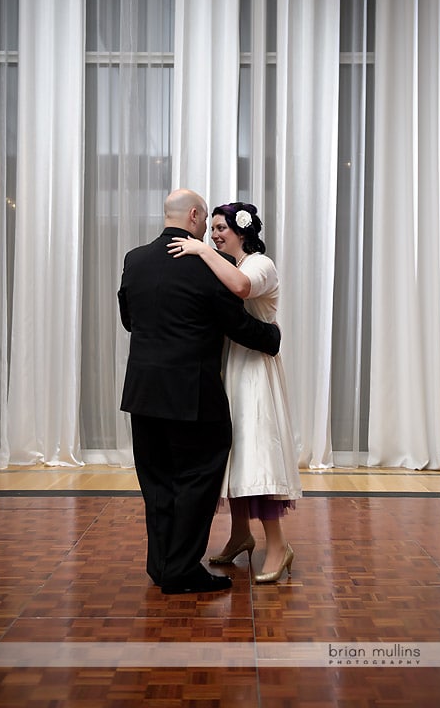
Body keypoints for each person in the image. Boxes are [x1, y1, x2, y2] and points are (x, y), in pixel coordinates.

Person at [118, 189, 281, 595]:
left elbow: (129, 319)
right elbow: (236, 325)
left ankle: (161, 566)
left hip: (143, 393)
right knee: (196, 482)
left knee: (156, 485)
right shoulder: (212, 265)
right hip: (193, 396)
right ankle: (182, 571)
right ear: (193, 216)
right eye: (206, 221)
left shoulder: (134, 259)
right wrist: (272, 336)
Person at [168, 202, 301, 584]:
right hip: (230, 368)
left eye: (221, 227)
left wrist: (202, 250)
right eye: (211, 228)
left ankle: (277, 546)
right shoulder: (226, 264)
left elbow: (242, 289)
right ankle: (240, 534)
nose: (214, 234)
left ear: (243, 231)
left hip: (255, 371)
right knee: (234, 452)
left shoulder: (259, 264)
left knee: (258, 454)